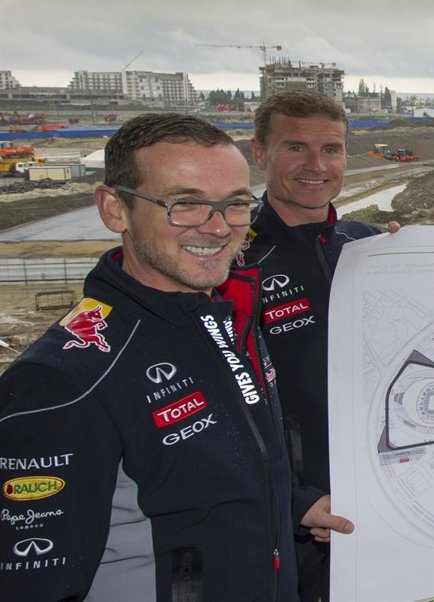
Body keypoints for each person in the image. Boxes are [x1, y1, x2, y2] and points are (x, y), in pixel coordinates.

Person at [0, 113, 301, 600]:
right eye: (185, 204)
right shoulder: (64, 378)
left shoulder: (220, 320)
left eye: (235, 204)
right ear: (114, 209)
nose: (218, 228)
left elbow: (217, 481)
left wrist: (297, 505)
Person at [240, 90, 381, 602]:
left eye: (331, 149)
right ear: (261, 152)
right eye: (296, 147)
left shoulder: (369, 245)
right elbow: (219, 410)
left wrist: (415, 260)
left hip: (385, 496)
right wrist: (295, 499)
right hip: (291, 517)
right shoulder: (233, 264)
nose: (316, 166)